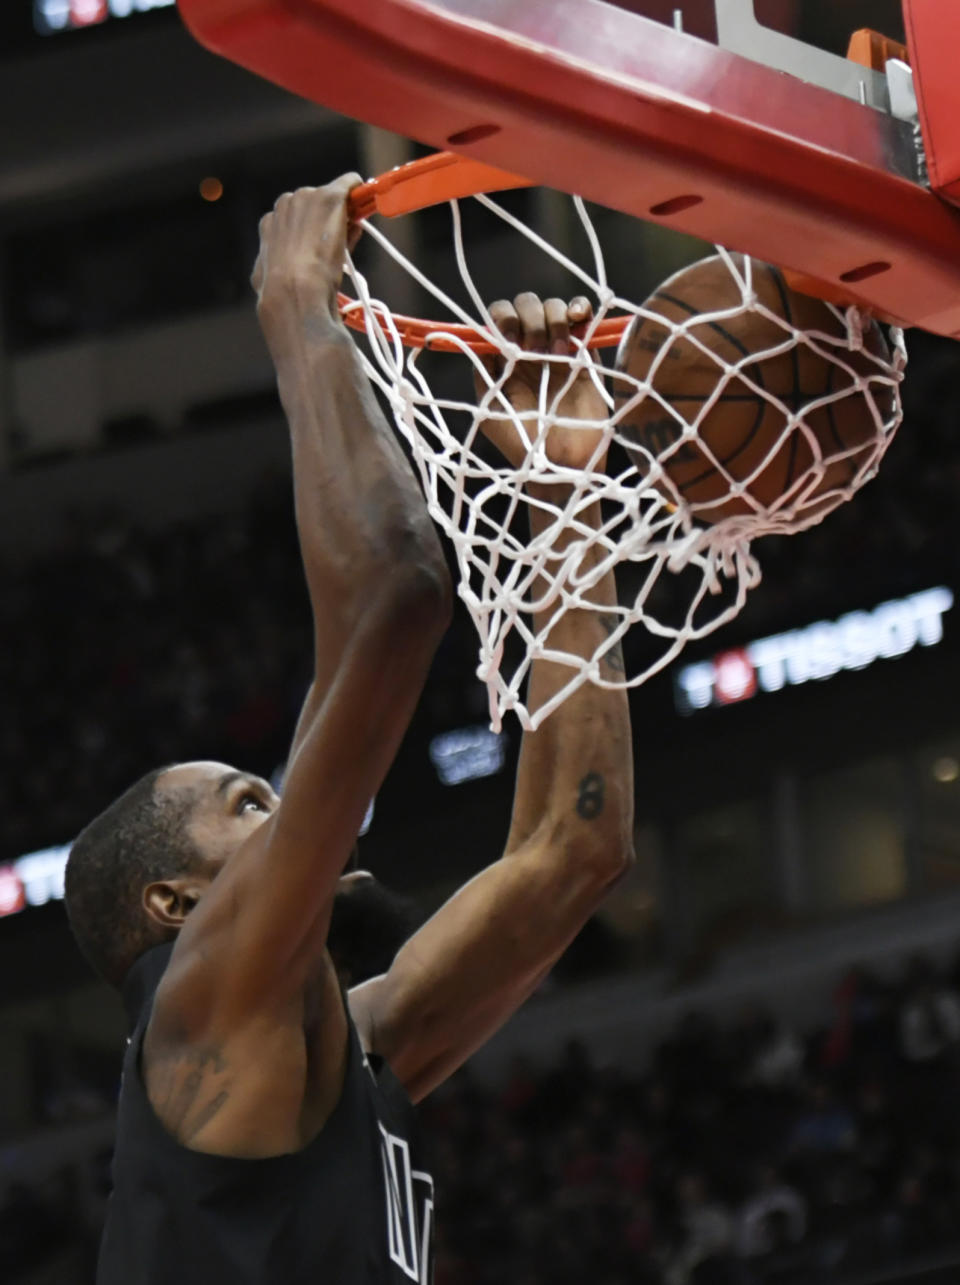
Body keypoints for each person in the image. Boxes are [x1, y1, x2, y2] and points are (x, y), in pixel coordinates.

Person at [64, 176, 635, 1285]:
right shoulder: (199, 1013)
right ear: (178, 906)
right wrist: (292, 305)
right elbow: (393, 593)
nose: (296, 806)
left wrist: (560, 488)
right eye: (249, 803)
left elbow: (576, 850)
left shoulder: (346, 1045)